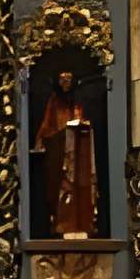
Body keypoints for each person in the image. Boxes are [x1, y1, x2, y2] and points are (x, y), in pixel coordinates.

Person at [33, 67, 99, 238]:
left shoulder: (79, 100)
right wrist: (41, 139)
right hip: (59, 150)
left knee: (82, 188)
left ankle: (84, 224)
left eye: (68, 78)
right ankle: (61, 225)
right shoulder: (54, 100)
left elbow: (86, 122)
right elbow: (48, 124)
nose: (65, 82)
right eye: (62, 78)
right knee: (60, 189)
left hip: (81, 151)